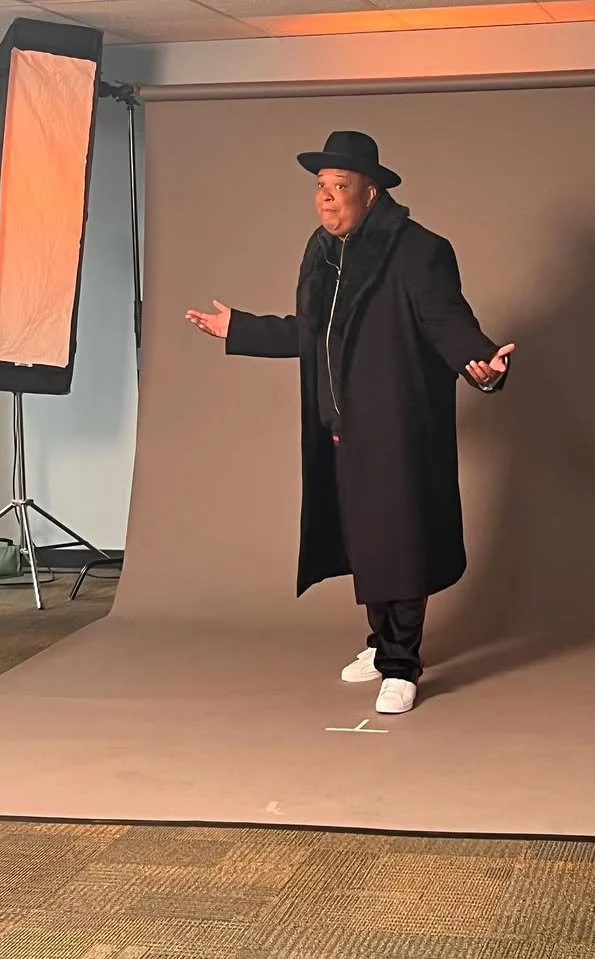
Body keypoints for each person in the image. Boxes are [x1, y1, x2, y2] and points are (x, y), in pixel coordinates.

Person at [186, 131, 513, 715]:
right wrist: (237, 327)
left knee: (401, 541)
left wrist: (481, 365)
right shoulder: (322, 250)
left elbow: (446, 322)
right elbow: (309, 331)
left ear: (372, 192)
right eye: (321, 186)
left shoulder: (418, 249)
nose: (326, 199)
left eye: (340, 187)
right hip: (339, 424)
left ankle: (402, 665)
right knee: (367, 540)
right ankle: (380, 643)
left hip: (398, 425)